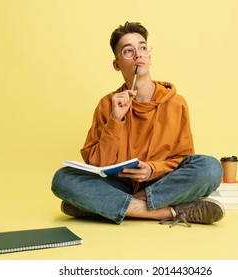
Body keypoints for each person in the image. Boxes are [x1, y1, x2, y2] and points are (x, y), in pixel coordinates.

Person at [51, 22, 225, 227]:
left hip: (161, 183)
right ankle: (167, 211)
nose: (138, 54)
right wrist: (116, 121)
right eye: (128, 51)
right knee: (62, 179)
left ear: (149, 57)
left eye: (142, 48)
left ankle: (100, 206)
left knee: (211, 168)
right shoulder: (108, 104)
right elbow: (98, 164)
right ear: (117, 64)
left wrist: (152, 169)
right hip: (118, 184)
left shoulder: (176, 103)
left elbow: (183, 159)